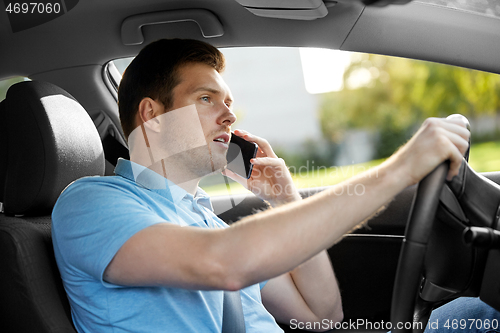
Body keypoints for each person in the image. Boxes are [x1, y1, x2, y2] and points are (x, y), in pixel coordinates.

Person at [51, 38, 487, 333]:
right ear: (152, 115)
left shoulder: (206, 220)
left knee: (474, 315)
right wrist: (400, 169)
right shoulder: (91, 202)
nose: (229, 116)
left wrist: (285, 197)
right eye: (206, 99)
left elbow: (322, 318)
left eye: (229, 103)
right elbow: (222, 264)